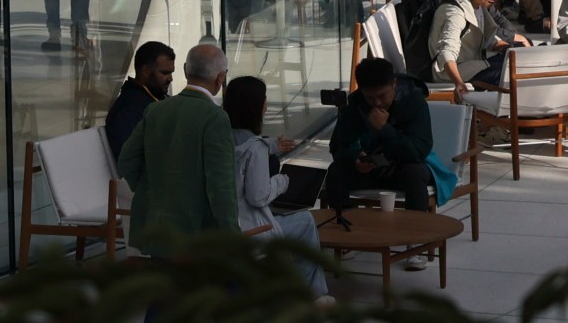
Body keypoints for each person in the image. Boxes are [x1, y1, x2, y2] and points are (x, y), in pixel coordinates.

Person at [116, 43, 241, 253]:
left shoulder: (155, 110)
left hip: (156, 228)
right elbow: (220, 185)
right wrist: (232, 236)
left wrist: (153, 190)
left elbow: (126, 160)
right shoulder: (215, 117)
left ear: (184, 70)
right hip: (197, 233)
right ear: (221, 78)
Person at [221, 76, 331, 297]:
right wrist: (282, 181)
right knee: (306, 220)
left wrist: (271, 145)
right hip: (251, 232)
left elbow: (242, 154)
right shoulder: (255, 149)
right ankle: (315, 295)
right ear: (258, 107)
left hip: (222, 226)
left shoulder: (218, 138)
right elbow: (258, 196)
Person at [326, 56, 437, 210]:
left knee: (414, 173)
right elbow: (337, 146)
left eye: (382, 96)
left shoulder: (413, 102)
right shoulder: (355, 104)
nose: (377, 102)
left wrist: (385, 129)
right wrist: (355, 158)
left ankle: (415, 229)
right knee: (336, 171)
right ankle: (346, 224)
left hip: (403, 169)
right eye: (370, 98)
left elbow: (418, 152)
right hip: (369, 171)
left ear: (394, 84)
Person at [430, 0, 527, 95]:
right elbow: (446, 52)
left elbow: (485, 37)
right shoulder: (455, 13)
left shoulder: (478, 3)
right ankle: (516, 111)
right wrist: (458, 83)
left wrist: (507, 48)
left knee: (519, 60)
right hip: (452, 71)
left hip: (475, 63)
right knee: (507, 75)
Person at [104, 41, 177, 156]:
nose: (170, 79)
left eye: (171, 73)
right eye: (165, 73)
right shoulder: (129, 110)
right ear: (146, 71)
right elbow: (135, 159)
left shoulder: (156, 97)